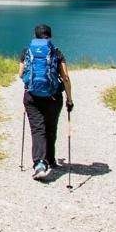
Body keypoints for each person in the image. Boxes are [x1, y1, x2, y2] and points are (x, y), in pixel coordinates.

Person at [18, 23, 73, 181]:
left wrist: (32, 82)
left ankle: (40, 164)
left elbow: (21, 74)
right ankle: (50, 159)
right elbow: (66, 78)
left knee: (37, 129)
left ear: (35, 36)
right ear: (50, 36)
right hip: (53, 98)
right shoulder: (56, 52)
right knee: (50, 128)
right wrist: (69, 99)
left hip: (32, 97)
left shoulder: (27, 51)